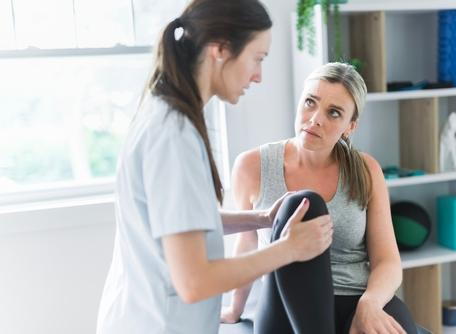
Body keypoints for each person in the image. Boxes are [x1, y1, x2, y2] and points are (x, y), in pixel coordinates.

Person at [95, 1, 334, 333]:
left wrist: (261, 218)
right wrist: (288, 249)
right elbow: (194, 281)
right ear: (220, 48)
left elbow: (180, 222)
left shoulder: (167, 114)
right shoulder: (174, 136)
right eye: (257, 59)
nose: (258, 76)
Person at [221, 62, 418, 334]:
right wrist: (235, 309)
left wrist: (370, 304)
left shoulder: (366, 170)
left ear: (350, 126)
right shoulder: (252, 166)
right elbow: (247, 242)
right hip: (286, 306)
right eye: (310, 102)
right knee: (302, 204)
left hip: (355, 298)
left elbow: (388, 260)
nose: (315, 118)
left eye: (333, 113)